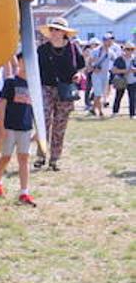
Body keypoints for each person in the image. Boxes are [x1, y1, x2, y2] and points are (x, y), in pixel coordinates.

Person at [36, 17, 85, 171]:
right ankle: (41, 156)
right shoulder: (42, 49)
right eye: (52, 29)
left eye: (57, 29)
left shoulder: (73, 48)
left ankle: (54, 159)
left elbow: (81, 67)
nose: (54, 32)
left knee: (60, 124)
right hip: (46, 88)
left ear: (64, 32)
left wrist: (78, 75)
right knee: (43, 122)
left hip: (66, 89)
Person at [0, 52, 38, 205]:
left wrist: (38, 130)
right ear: (18, 62)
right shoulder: (11, 82)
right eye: (23, 61)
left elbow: (37, 108)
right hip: (10, 126)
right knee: (6, 157)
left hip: (25, 127)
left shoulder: (34, 83)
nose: (26, 65)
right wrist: (1, 126)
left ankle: (24, 192)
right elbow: (3, 105)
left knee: (24, 158)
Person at [112, 43, 136, 117]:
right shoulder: (119, 59)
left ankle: (132, 114)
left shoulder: (134, 59)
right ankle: (115, 112)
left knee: (133, 98)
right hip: (121, 80)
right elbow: (114, 70)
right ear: (124, 50)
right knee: (118, 96)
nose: (130, 51)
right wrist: (126, 71)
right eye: (128, 49)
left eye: (132, 49)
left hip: (133, 81)